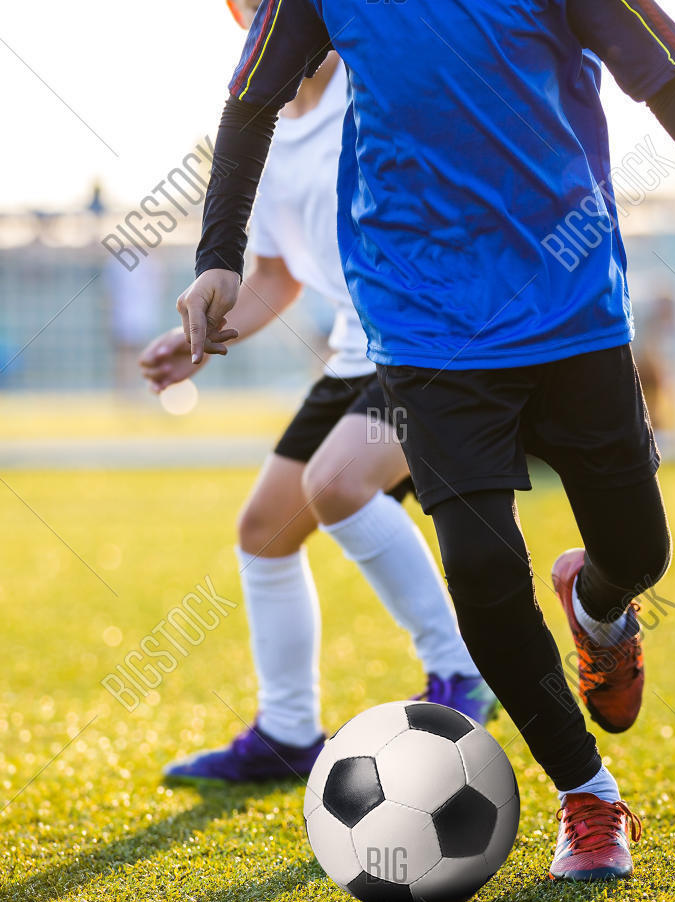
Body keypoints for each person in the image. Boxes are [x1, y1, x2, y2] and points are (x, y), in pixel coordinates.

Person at [178, 0, 675, 877]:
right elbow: (250, 102)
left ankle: (597, 604)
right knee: (479, 567)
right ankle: (587, 795)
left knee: (639, 548)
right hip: (423, 319)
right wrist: (219, 254)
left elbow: (661, 73)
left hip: (570, 303)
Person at [151, 0, 496, 785]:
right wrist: (200, 336)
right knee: (264, 531)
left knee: (337, 485)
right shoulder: (256, 126)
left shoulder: (375, 84)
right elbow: (275, 275)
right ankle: (287, 732)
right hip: (353, 353)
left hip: (434, 340)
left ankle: (462, 671)